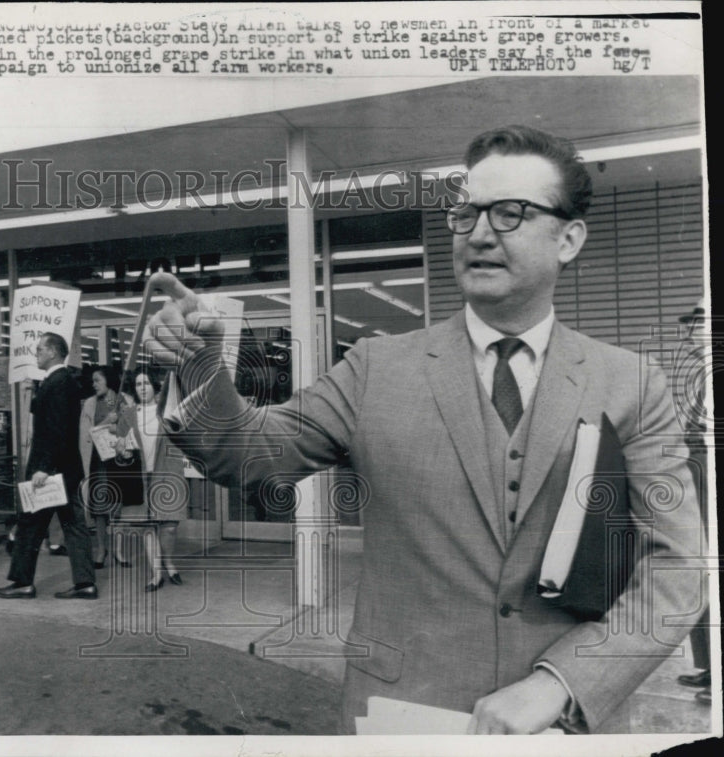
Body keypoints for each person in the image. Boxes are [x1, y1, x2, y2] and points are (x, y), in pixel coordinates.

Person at [142, 125, 703, 734]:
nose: (481, 232)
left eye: (511, 213)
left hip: (563, 724)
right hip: (402, 712)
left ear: (569, 238)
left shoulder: (632, 384)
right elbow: (253, 457)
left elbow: (676, 569)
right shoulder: (375, 367)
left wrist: (561, 684)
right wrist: (199, 363)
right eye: (467, 212)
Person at [0, 333, 97, 600]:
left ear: (52, 352)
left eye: (39, 349)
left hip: (50, 473)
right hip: (67, 471)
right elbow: (50, 419)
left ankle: (22, 582)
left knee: (29, 526)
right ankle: (85, 583)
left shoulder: (58, 383)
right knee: (73, 526)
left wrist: (44, 467)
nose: (35, 353)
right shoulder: (61, 382)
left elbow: (56, 430)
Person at [673, 299, 712, 707]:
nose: (688, 334)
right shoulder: (703, 376)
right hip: (697, 486)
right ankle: (710, 667)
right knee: (699, 572)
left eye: (695, 325)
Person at [118, 369, 187, 592]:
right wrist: (123, 451)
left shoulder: (167, 411)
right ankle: (156, 573)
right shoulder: (127, 414)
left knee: (169, 526)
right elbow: (119, 445)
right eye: (138, 384)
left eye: (146, 383)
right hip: (139, 476)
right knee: (147, 526)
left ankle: (169, 562)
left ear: (155, 387)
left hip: (166, 472)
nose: (142, 387)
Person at [79, 365, 142, 568]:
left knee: (117, 507)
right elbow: (86, 433)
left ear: (108, 380)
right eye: (93, 381)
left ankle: (118, 550)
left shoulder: (123, 401)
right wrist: (107, 422)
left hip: (118, 461)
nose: (94, 384)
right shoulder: (90, 404)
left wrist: (118, 426)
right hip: (98, 462)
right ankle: (101, 550)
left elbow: (132, 430)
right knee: (99, 508)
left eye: (98, 380)